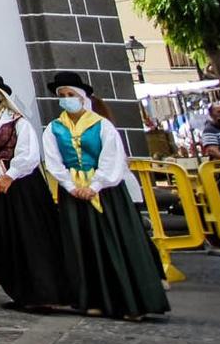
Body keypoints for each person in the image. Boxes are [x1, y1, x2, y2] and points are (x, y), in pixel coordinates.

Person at [42, 70, 170, 321]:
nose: (66, 99)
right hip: (74, 193)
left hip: (106, 193)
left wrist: (96, 184)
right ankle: (92, 300)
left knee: (116, 243)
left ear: (81, 97)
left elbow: (112, 158)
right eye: (62, 95)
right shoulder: (54, 129)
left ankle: (130, 301)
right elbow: (53, 161)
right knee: (83, 246)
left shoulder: (102, 125)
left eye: (70, 94)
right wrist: (70, 186)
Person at [0, 72, 67, 311]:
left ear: (2, 95)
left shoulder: (18, 121)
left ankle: (42, 293)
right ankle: (18, 292)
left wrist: (10, 176)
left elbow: (28, 154)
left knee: (29, 238)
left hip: (19, 187)